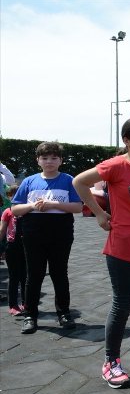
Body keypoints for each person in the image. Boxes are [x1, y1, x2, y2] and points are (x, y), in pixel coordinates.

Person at [73, 117, 130, 389]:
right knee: (122, 304)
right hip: (122, 245)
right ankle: (110, 361)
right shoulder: (115, 165)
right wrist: (100, 213)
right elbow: (79, 182)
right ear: (127, 140)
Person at [11, 142, 83, 334]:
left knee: (60, 273)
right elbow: (15, 209)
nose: (49, 161)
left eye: (54, 158)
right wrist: (32, 206)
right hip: (33, 233)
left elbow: (78, 207)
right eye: (45, 158)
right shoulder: (29, 181)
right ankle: (30, 315)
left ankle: (64, 313)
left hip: (61, 233)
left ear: (61, 160)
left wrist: (53, 204)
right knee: (34, 274)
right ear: (38, 160)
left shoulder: (69, 180)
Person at [0, 185, 26, 316]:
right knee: (14, 276)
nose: (15, 198)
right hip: (12, 246)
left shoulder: (28, 211)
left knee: (25, 276)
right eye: (12, 195)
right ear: (9, 197)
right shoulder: (8, 212)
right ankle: (13, 305)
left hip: (26, 247)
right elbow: (2, 230)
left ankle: (26, 303)